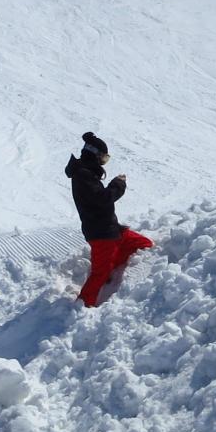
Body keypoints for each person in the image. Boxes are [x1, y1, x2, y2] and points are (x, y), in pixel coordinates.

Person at [65, 131, 153, 306]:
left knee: (143, 244)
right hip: (101, 234)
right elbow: (103, 199)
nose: (103, 162)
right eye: (103, 158)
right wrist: (118, 184)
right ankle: (83, 304)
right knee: (100, 272)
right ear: (95, 155)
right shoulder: (83, 175)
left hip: (111, 229)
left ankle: (113, 272)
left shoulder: (86, 173)